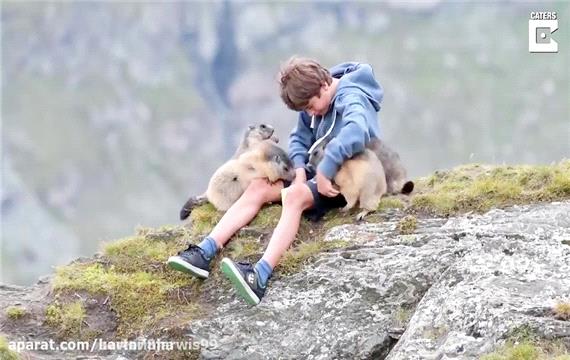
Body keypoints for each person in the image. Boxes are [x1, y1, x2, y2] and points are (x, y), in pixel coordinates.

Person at [167, 57, 384, 305]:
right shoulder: (312, 100)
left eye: (311, 106)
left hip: (351, 175)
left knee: (294, 197)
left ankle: (259, 276)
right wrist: (300, 171)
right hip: (321, 169)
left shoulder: (353, 96)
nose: (310, 113)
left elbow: (357, 131)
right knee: (259, 186)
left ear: (325, 85)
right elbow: (300, 138)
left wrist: (324, 170)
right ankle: (204, 252)